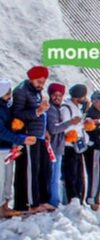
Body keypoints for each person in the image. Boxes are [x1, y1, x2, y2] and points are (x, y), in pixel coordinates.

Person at [13, 66, 50, 212]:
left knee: (36, 169)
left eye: (43, 82)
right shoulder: (22, 91)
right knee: (28, 170)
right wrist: (38, 111)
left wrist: (44, 129)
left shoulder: (36, 92)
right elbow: (17, 113)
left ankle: (35, 200)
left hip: (37, 135)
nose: (41, 84)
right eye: (39, 81)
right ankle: (29, 204)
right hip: (27, 136)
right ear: (31, 79)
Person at [0, 79, 37, 217]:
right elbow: (1, 132)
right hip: (1, 149)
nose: (10, 95)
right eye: (8, 92)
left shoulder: (5, 107)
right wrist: (22, 139)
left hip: (7, 148)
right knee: (1, 178)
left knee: (7, 178)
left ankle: (4, 205)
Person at [46, 82, 75, 207]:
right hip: (53, 149)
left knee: (55, 176)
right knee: (54, 177)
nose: (57, 97)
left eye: (60, 95)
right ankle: (54, 201)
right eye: (54, 95)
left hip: (57, 148)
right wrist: (70, 123)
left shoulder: (57, 109)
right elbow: (53, 129)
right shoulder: (52, 109)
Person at [60, 84, 88, 205]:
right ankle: (71, 199)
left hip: (78, 146)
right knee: (70, 175)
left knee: (79, 177)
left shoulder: (77, 108)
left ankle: (79, 199)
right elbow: (66, 127)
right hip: (69, 146)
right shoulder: (66, 108)